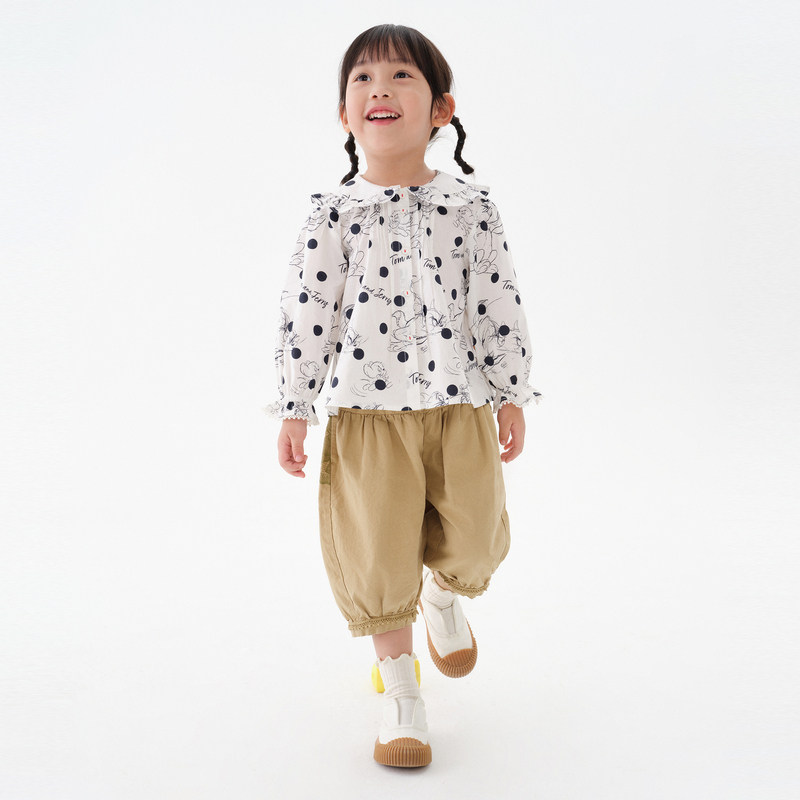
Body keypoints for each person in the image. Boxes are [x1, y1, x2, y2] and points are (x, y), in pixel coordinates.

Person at [264, 23, 541, 768]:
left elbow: (498, 301)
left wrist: (511, 391)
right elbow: (308, 312)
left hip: (459, 407)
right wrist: (295, 406)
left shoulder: (471, 207)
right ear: (345, 115)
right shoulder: (333, 213)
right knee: (378, 557)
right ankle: (401, 692)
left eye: (400, 77)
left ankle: (443, 597)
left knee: (477, 538)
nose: (379, 89)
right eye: (362, 79)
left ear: (441, 108)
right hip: (366, 417)